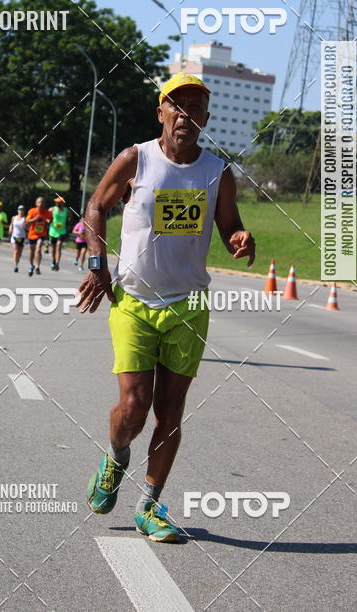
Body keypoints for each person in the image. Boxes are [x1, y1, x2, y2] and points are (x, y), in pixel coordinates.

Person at [78, 73, 255, 542]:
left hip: (189, 305)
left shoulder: (217, 171)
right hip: (134, 301)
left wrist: (239, 237)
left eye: (196, 108)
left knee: (170, 413)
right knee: (134, 407)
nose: (186, 115)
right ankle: (115, 457)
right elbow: (96, 206)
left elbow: (230, 223)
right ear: (161, 113)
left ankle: (149, 506)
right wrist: (97, 264)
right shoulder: (136, 159)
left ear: (206, 119)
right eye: (177, 106)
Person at [26, 196, 52, 276]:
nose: (41, 204)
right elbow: (27, 221)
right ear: (36, 203)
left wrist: (46, 222)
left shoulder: (47, 212)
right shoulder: (32, 211)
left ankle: (37, 266)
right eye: (39, 202)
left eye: (43, 202)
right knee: (32, 251)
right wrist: (35, 219)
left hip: (41, 234)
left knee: (38, 248)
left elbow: (50, 220)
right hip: (32, 234)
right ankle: (31, 265)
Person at [48, 196, 68, 271]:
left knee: (59, 246)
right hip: (53, 231)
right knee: (53, 248)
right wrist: (48, 221)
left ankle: (57, 263)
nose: (57, 203)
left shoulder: (66, 211)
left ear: (62, 203)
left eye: (59, 202)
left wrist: (68, 226)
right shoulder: (52, 209)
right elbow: (47, 217)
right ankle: (53, 260)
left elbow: (70, 218)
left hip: (61, 231)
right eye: (56, 202)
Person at [9, 205, 27, 272]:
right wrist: (10, 229)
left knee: (19, 253)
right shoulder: (14, 217)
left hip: (22, 237)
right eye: (20, 210)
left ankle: (17, 262)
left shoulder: (25, 218)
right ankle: (16, 266)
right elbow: (11, 224)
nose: (21, 211)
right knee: (16, 251)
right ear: (18, 210)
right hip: (14, 236)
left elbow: (28, 228)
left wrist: (24, 228)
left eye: (22, 210)